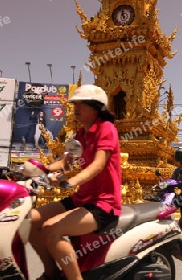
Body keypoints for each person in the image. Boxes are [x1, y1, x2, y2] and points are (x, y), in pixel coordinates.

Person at [29, 85, 122, 280]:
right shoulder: (80, 135)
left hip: (103, 203)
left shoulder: (107, 129)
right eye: (74, 105)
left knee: (51, 229)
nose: (75, 109)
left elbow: (98, 165)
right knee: (29, 221)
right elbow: (65, 162)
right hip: (81, 198)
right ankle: (51, 273)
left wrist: (70, 181)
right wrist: (38, 169)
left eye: (81, 105)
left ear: (95, 108)